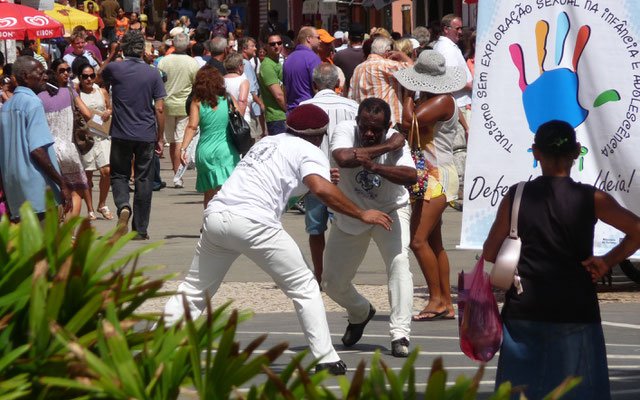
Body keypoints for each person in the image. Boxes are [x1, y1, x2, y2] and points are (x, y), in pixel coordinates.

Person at [162, 104, 394, 375]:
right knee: (305, 286)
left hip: (217, 216)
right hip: (255, 222)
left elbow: (281, 188)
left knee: (193, 291)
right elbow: (321, 189)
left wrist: (310, 184)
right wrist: (362, 213)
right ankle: (326, 358)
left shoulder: (266, 142)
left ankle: (158, 345)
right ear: (319, 135)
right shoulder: (311, 150)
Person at [484, 120, 640, 399]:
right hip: (577, 309)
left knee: (520, 391)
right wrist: (606, 260)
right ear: (577, 151)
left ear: (535, 152)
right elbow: (637, 231)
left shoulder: (517, 195)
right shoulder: (591, 197)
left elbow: (490, 252)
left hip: (524, 311)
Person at [321, 98, 417, 358]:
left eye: (376, 129)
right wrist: (385, 147)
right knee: (331, 282)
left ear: (388, 125)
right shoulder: (345, 130)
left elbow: (410, 176)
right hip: (353, 212)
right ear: (357, 122)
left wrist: (374, 165)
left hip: (390, 210)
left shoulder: (399, 141)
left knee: (399, 264)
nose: (368, 133)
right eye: (364, 127)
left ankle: (400, 333)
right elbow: (342, 157)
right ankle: (360, 311)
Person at [395, 50, 465, 320]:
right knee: (433, 242)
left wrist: (406, 93)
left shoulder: (442, 101)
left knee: (418, 240)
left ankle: (437, 300)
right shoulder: (436, 100)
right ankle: (445, 302)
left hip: (437, 176)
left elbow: (407, 121)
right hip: (431, 174)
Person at [102, 31, 166, 240]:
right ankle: (140, 230)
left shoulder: (114, 69)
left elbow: (97, 77)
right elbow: (159, 108)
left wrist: (112, 55)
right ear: (142, 50)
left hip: (121, 132)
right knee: (144, 179)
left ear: (123, 48)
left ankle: (122, 206)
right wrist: (160, 136)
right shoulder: (153, 73)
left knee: (119, 174)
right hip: (146, 133)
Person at [299, 63, 359, 283]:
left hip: (314, 176)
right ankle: (340, 274)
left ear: (314, 85)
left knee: (315, 229)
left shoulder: (305, 106)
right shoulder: (352, 106)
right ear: (337, 83)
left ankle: (320, 272)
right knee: (342, 228)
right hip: (344, 177)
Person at [0, 56, 71, 222]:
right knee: (46, 246)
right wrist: (62, 183)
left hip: (15, 193)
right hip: (38, 193)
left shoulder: (7, 107)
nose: (45, 77)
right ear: (25, 76)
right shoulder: (33, 103)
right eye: (40, 73)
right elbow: (37, 149)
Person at [38, 59, 93, 220]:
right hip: (69, 149)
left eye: (67, 70)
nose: (66, 73)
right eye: (62, 71)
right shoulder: (69, 92)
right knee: (75, 192)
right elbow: (88, 114)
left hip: (48, 152)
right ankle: (69, 233)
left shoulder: (38, 98)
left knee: (53, 192)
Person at [179, 66, 240, 208]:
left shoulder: (197, 102)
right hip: (227, 150)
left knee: (209, 193)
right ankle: (225, 224)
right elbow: (239, 118)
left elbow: (192, 126)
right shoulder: (228, 99)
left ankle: (208, 224)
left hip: (206, 151)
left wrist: (183, 148)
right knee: (228, 192)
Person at [433, 14, 473, 209]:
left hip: (459, 104)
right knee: (459, 150)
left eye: (460, 28)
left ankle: (457, 191)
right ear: (445, 29)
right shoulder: (446, 49)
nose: (460, 32)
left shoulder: (449, 47)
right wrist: (469, 85)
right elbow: (447, 83)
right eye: (457, 29)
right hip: (456, 106)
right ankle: (457, 193)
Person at [158, 33, 200, 188]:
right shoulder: (192, 63)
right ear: (188, 45)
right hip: (185, 105)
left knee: (172, 141)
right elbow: (196, 84)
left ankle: (176, 172)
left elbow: (159, 82)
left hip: (167, 104)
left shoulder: (163, 61)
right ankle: (177, 175)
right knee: (179, 141)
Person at [77, 63, 114, 221]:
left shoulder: (102, 91)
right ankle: (90, 208)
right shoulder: (76, 93)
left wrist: (108, 112)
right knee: (88, 174)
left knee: (106, 171)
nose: (89, 79)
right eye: (85, 76)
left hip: (102, 136)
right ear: (80, 78)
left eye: (92, 75)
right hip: (86, 138)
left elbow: (110, 107)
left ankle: (102, 204)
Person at [348, 37, 413, 124]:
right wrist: (401, 55)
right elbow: (413, 70)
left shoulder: (357, 69)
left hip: (364, 123)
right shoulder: (385, 65)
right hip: (388, 123)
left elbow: (350, 96)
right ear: (387, 53)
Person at [282, 27, 321, 113]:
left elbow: (285, 90)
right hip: (309, 111)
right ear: (308, 38)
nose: (320, 41)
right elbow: (318, 88)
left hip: (292, 112)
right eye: (318, 37)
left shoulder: (288, 59)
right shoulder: (313, 58)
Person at [258, 33, 287, 136]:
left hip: (283, 116)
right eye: (272, 44)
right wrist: (289, 111)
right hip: (277, 118)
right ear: (266, 46)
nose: (276, 46)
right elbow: (279, 96)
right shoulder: (267, 66)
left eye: (279, 43)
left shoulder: (277, 63)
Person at [239, 36, 265, 141]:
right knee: (252, 140)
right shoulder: (246, 64)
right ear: (244, 49)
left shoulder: (242, 62)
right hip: (251, 110)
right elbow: (250, 90)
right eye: (252, 46)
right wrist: (261, 104)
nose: (255, 48)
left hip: (249, 109)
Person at [333, 23, 365, 96]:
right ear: (363, 37)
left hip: (346, 96)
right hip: (365, 97)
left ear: (349, 37)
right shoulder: (369, 55)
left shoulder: (339, 55)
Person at [223, 53, 251, 122]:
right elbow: (242, 100)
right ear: (239, 66)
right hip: (241, 119)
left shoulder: (221, 80)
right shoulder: (243, 81)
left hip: (225, 119)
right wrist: (239, 121)